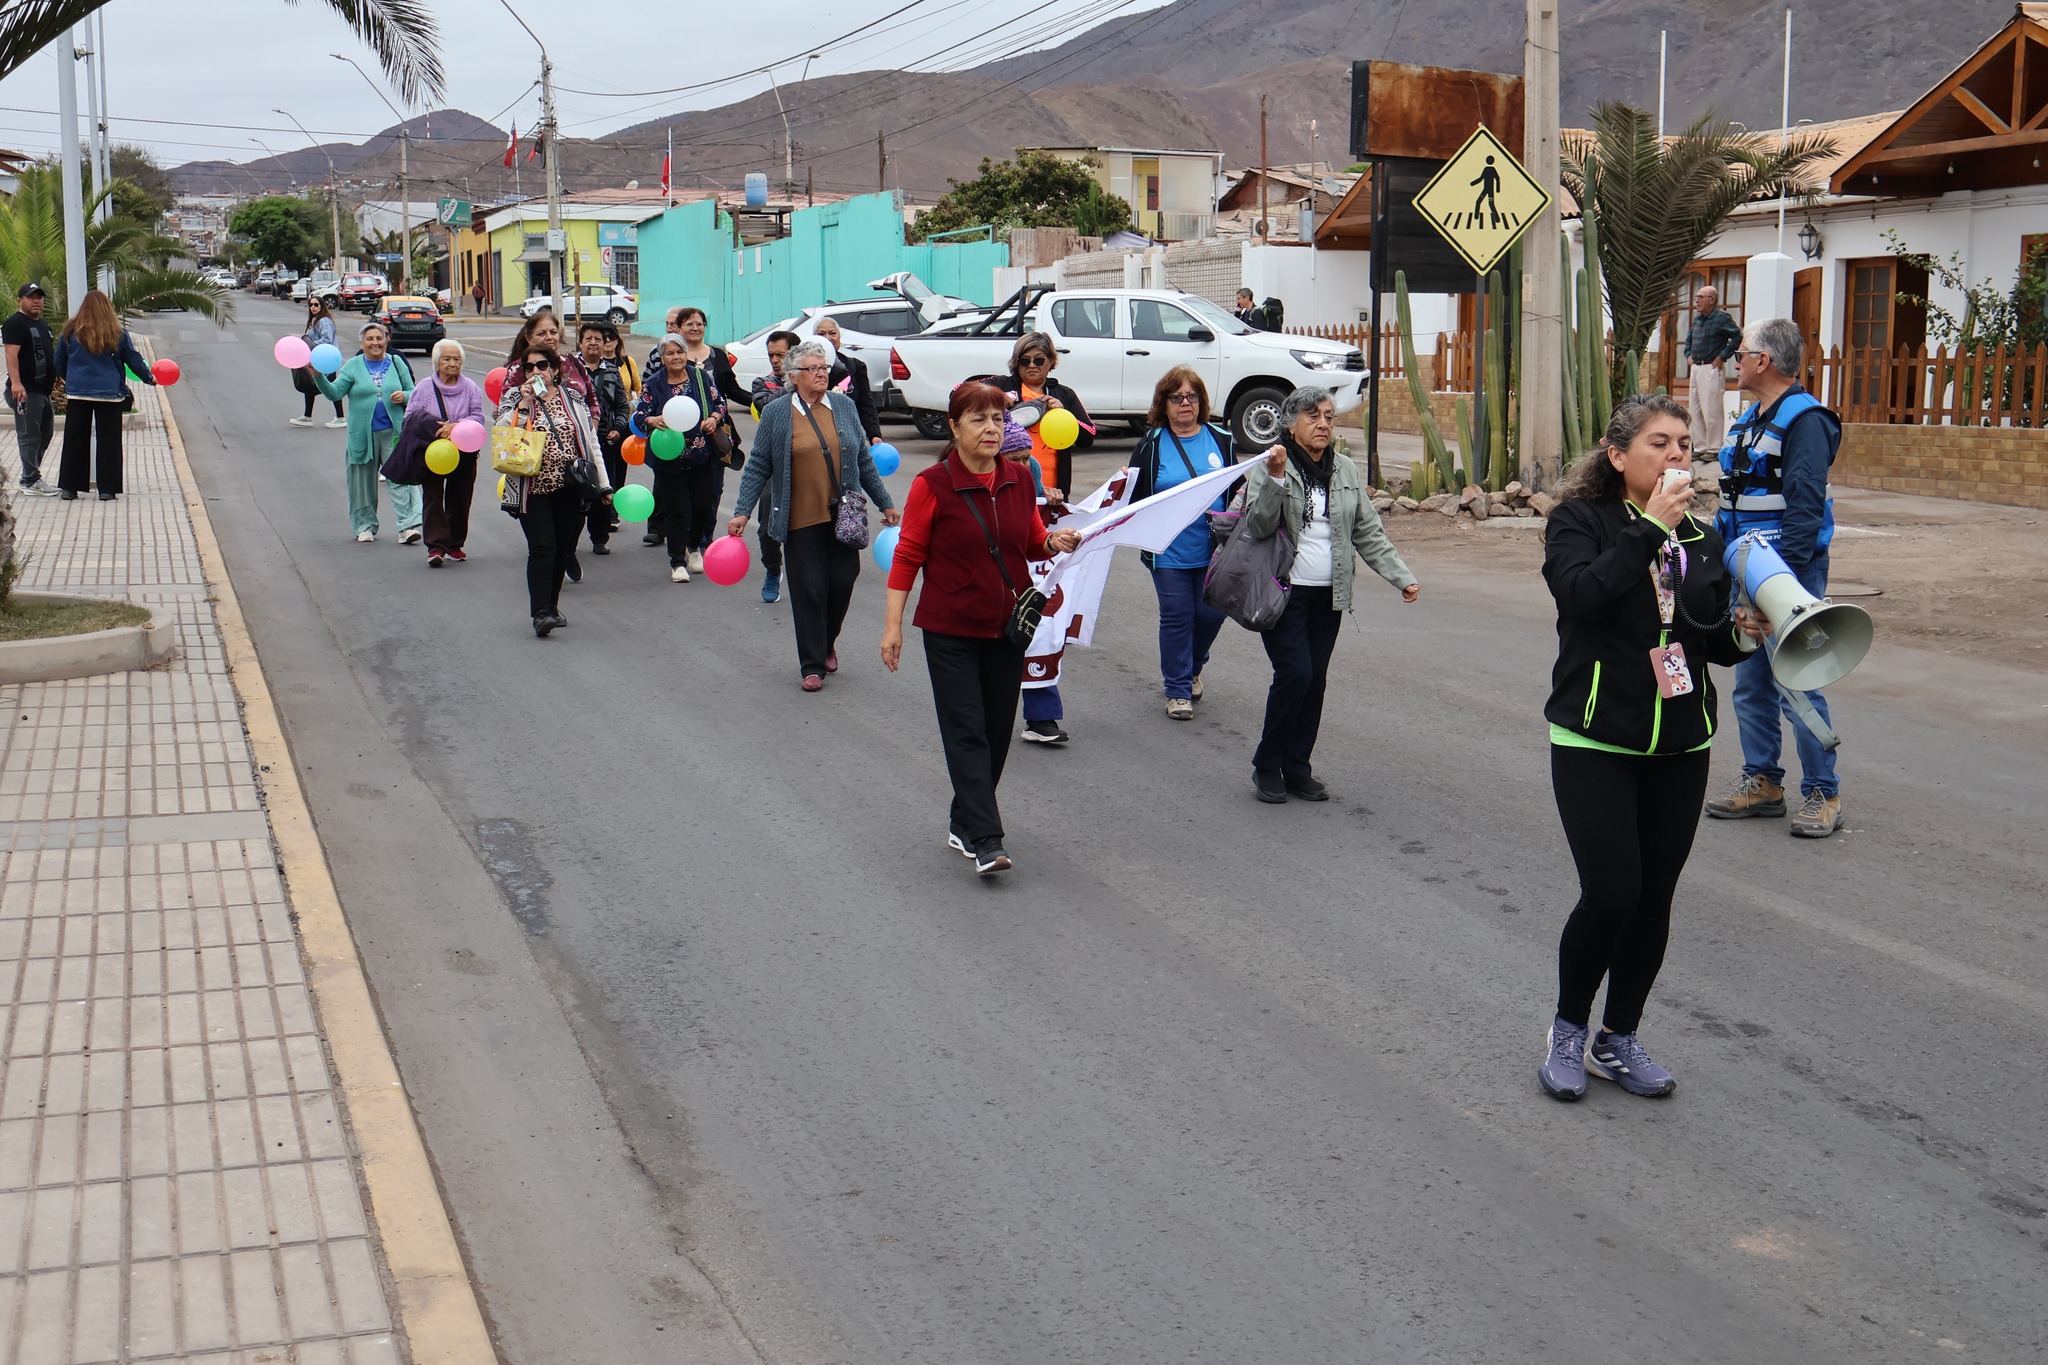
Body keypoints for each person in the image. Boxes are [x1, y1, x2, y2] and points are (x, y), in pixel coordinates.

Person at [1536, 395, 1768, 1102]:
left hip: (1681, 742)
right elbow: (1582, 597)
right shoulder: (1580, 522)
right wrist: (1645, 528)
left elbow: (1702, 639)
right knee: (1611, 892)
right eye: (1659, 443)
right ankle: (1569, 1029)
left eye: (1685, 446)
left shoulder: (1700, 537)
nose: (1677, 457)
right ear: (1618, 456)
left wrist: (1744, 632)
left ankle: (1620, 1036)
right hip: (1594, 737)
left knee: (1653, 899)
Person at [877, 381, 1081, 876]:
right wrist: (893, 627)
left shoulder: (1019, 477)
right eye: (978, 419)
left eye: (997, 419)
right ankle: (987, 839)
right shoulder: (932, 484)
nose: (991, 429)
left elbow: (1028, 540)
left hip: (1006, 627)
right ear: (954, 427)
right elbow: (907, 556)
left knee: (995, 731)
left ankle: (963, 818)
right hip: (949, 629)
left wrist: (1055, 541)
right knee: (966, 730)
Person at [1704, 316, 1846, 838]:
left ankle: (1822, 792)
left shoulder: (1805, 420)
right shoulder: (1752, 420)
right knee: (1752, 682)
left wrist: (1776, 586)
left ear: (1763, 361)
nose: (1734, 360)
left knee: (1797, 678)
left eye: (1740, 354)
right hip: (1745, 564)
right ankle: (1762, 780)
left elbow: (1805, 508)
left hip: (1786, 569)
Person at [1242, 386, 1418, 803]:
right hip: (1282, 593)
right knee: (1295, 674)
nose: (1322, 424)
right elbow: (1259, 526)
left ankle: (1298, 767)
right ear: (1290, 423)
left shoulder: (1344, 470)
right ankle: (1267, 764)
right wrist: (1278, 478)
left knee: (1314, 681)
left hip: (1329, 595)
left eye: (1328, 416)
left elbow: (1366, 530)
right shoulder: (1270, 465)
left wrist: (1401, 577)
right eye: (1312, 416)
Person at [727, 340, 900, 688]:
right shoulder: (777, 413)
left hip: (842, 514)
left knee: (842, 580)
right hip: (798, 517)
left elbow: (863, 460)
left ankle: (826, 641)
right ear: (795, 376)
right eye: (813, 369)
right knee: (809, 588)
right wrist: (743, 511)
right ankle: (812, 664)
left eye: (824, 368)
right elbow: (759, 464)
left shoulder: (843, 406)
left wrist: (885, 502)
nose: (822, 374)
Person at [1130, 367, 1236, 719]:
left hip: (1213, 549)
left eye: (1192, 396)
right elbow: (1133, 493)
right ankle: (1177, 690)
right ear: (1165, 404)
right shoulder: (1151, 443)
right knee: (1178, 616)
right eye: (1176, 397)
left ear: (1201, 401)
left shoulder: (1221, 439)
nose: (1185, 403)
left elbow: (1235, 490)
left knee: (1211, 614)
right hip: (1168, 550)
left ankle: (1193, 667)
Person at [497, 343, 609, 636]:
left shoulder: (572, 398)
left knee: (562, 548)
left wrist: (603, 484)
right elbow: (507, 437)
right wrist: (523, 405)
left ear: (555, 370)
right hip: (531, 488)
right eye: (529, 367)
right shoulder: (514, 398)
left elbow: (590, 442)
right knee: (542, 546)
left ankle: (552, 606)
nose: (536, 372)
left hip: (569, 487)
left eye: (542, 366)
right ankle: (540, 613)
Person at [309, 320, 420, 543]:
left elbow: (414, 392)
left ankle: (406, 527)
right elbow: (335, 393)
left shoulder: (397, 362)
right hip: (363, 435)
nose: (375, 343)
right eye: (369, 339)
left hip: (394, 433)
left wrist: (404, 396)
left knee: (399, 480)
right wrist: (318, 377)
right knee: (362, 483)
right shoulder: (353, 366)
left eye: (379, 338)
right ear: (362, 342)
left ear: (387, 340)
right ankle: (364, 526)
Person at [635, 332, 729, 582]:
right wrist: (652, 420)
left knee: (702, 505)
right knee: (677, 510)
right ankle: (677, 562)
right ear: (662, 357)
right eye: (670, 353)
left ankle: (694, 546)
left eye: (679, 351)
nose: (675, 357)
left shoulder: (700, 376)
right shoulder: (654, 383)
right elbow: (639, 416)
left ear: (686, 353)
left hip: (701, 453)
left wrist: (713, 419)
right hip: (669, 458)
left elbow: (720, 403)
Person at [52, 290, 156, 501]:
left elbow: (58, 362)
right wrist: (149, 378)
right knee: (109, 441)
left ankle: (69, 488)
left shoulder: (70, 332)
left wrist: (72, 379)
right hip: (109, 394)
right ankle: (107, 490)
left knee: (74, 440)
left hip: (78, 393)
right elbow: (133, 360)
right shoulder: (117, 333)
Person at [411, 339, 487, 566]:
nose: (452, 363)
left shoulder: (471, 387)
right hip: (433, 452)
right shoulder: (424, 387)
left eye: (457, 359)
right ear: (437, 362)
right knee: (433, 497)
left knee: (460, 497)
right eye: (447, 359)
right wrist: (437, 427)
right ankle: (435, 546)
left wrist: (456, 427)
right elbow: (411, 416)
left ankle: (454, 544)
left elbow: (478, 417)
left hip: (464, 451)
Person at [992, 330, 1093, 498]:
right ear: (1017, 363)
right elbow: (959, 391)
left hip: (1052, 493)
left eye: (1038, 360)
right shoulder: (1001, 385)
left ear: (1051, 361)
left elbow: (1088, 437)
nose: (1031, 365)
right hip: (1006, 489)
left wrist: (1065, 415)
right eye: (1024, 360)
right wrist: (994, 396)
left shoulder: (1064, 394)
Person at [748, 329, 802, 602]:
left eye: (781, 354)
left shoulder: (814, 381)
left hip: (807, 462)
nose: (775, 360)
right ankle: (772, 569)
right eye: (771, 355)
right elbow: (769, 404)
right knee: (767, 527)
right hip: (774, 466)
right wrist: (795, 386)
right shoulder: (763, 383)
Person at [579, 321, 630, 556]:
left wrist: (618, 428)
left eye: (598, 339)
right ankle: (569, 538)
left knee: (603, 488)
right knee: (576, 488)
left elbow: (622, 405)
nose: (593, 343)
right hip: (576, 440)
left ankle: (599, 537)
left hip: (605, 440)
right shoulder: (569, 369)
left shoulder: (612, 371)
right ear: (580, 342)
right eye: (588, 338)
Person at [4, 282, 58, 495]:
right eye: (31, 297)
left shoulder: (43, 325)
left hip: (42, 391)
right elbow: (10, 355)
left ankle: (30, 474)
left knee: (45, 432)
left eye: (40, 297)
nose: (37, 301)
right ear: (20, 300)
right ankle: (30, 480)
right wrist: (17, 383)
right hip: (25, 391)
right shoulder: (15, 324)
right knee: (29, 435)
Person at [1684, 285, 1741, 457]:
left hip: (1711, 368)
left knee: (1712, 410)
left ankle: (1714, 448)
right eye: (1697, 297)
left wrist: (1722, 357)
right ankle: (1700, 447)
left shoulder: (1722, 318)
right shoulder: (1698, 319)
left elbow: (1737, 336)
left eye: (1701, 297)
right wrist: (1688, 355)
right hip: (1696, 367)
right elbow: (1689, 339)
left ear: (1712, 300)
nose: (1697, 300)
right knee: (1695, 409)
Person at [809, 317, 882, 440]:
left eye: (832, 333)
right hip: (815, 436)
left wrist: (874, 435)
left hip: (848, 437)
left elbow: (866, 405)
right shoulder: (804, 369)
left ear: (839, 338)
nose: (828, 338)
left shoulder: (855, 366)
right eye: (821, 334)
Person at [292, 296, 347, 428]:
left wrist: (310, 344)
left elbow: (327, 340)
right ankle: (307, 416)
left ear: (322, 306)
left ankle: (340, 417)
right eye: (311, 305)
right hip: (319, 357)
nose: (313, 307)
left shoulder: (324, 321)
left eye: (316, 305)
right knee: (310, 386)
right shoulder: (315, 320)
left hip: (325, 358)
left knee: (332, 386)